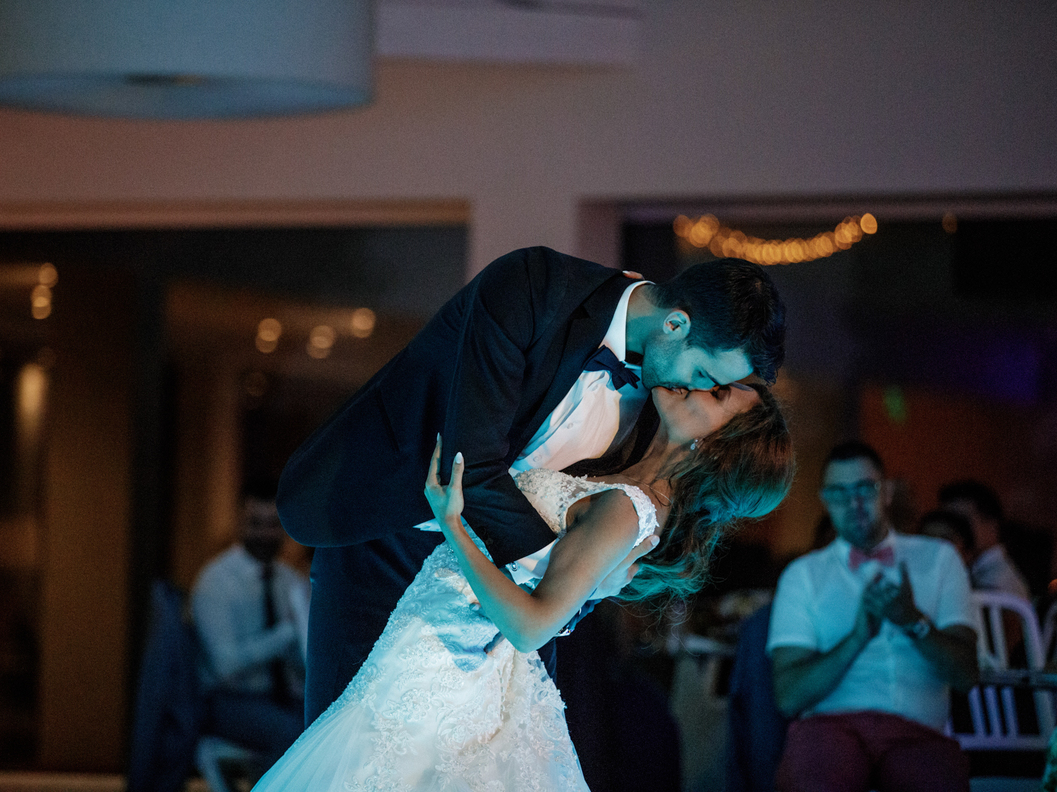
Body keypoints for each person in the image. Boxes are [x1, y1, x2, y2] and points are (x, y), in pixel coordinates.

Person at [276, 245, 787, 724]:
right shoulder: (536, 288)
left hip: (495, 611)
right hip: (391, 537)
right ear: (675, 323)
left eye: (713, 387)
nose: (697, 388)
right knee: (350, 755)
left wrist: (563, 597)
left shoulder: (663, 406)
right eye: (703, 372)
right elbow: (470, 466)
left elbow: (592, 546)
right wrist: (564, 588)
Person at [252, 380, 794, 790]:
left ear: (718, 446)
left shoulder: (628, 509)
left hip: (442, 657)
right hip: (444, 651)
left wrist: (454, 524)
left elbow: (531, 626)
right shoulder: (634, 499)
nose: (699, 383)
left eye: (718, 394)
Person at [767, 441, 979, 792]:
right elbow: (789, 697)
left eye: (865, 488)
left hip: (917, 733)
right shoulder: (802, 575)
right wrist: (857, 639)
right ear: (825, 500)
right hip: (831, 728)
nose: (854, 503)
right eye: (839, 492)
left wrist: (913, 620)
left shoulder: (939, 559)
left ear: (887, 493)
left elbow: (966, 675)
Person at [190, 496, 310, 766]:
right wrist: (284, 635)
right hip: (228, 700)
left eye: (274, 524)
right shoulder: (216, 580)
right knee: (292, 731)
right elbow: (224, 666)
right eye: (256, 523)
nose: (266, 534)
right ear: (239, 525)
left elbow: (305, 658)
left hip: (285, 696)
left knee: (332, 725)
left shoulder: (292, 580)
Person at [938, 479, 1032, 600]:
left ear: (992, 524)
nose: (951, 530)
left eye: (962, 522)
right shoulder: (970, 572)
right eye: (946, 522)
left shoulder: (998, 582)